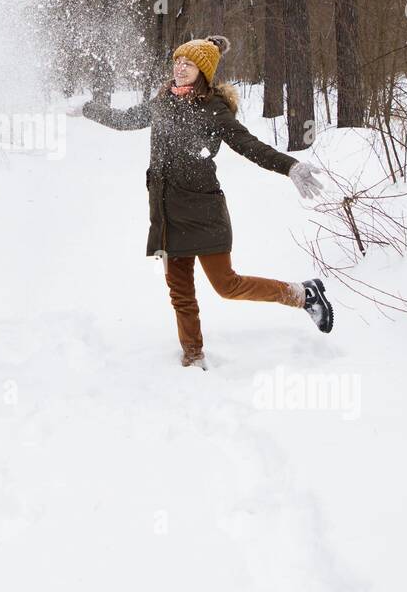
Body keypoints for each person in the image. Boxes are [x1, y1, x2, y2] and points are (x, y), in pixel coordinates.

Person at [74, 36, 334, 368]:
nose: (179, 68)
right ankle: (193, 356)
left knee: (227, 285)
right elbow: (125, 120)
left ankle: (303, 294)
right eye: (177, 61)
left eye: (189, 63)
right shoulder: (161, 102)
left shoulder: (214, 109)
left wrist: (289, 165)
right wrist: (88, 109)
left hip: (203, 211)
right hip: (166, 213)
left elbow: (248, 144)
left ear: (203, 72)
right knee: (180, 294)